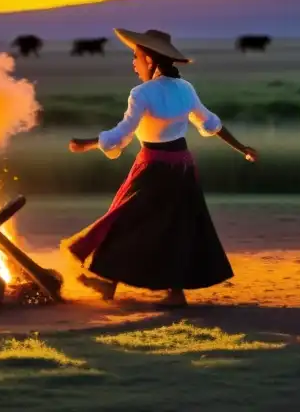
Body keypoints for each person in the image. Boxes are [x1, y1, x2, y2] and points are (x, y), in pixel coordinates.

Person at [63, 28, 257, 308]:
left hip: (152, 168)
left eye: (136, 56)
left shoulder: (141, 93)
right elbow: (212, 124)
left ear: (150, 61)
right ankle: (168, 292)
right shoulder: (185, 88)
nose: (133, 63)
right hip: (182, 168)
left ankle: (109, 283)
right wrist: (243, 148)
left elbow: (123, 132)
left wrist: (88, 144)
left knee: (124, 220)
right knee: (178, 227)